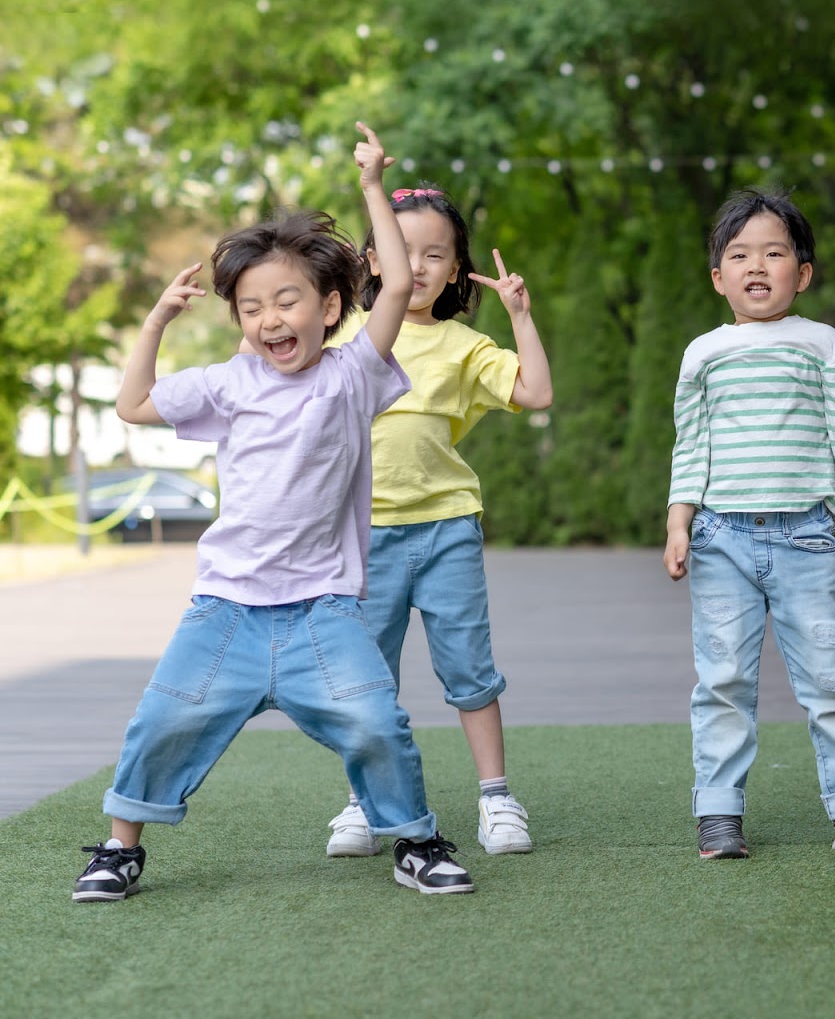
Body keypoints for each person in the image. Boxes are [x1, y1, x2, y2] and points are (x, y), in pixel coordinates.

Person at [72, 123, 474, 901]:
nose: (269, 320)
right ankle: (121, 848)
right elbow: (134, 405)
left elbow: (393, 285)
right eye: (251, 308)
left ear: (329, 306)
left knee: (375, 723)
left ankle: (415, 840)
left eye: (287, 300)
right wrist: (156, 320)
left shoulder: (356, 372)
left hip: (323, 613)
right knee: (162, 721)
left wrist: (370, 187)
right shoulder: (228, 384)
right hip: (225, 608)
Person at [316, 184, 553, 860]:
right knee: (368, 677)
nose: (417, 265)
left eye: (435, 254)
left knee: (470, 671)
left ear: (455, 269)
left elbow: (536, 393)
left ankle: (497, 797)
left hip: (447, 528)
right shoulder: (346, 338)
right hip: (363, 538)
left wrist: (521, 316)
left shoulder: (462, 344)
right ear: (371, 260)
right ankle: (364, 801)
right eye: (402, 249)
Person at [663, 188, 835, 860]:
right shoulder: (703, 352)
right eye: (740, 255)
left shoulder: (821, 344)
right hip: (719, 538)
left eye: (775, 252)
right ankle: (718, 813)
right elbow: (691, 445)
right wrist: (679, 522)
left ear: (804, 272)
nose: (757, 265)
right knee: (724, 680)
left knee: (830, 680)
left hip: (806, 540)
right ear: (718, 277)